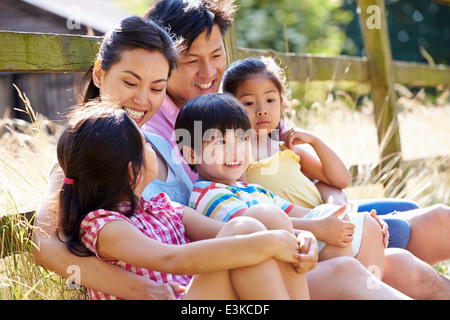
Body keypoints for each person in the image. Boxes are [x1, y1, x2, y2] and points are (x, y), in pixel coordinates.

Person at [32, 14, 410, 301]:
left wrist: (296, 233)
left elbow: (237, 186)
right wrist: (141, 288)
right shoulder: (82, 158)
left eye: (158, 88)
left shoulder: (162, 144)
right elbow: (43, 246)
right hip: (194, 284)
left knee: (347, 269)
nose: (144, 99)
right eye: (130, 82)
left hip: (231, 264)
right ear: (99, 73)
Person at [221, 56, 450, 299]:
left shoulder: (288, 150)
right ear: (230, 107)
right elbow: (250, 202)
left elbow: (340, 179)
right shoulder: (238, 159)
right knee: (398, 256)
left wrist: (315, 142)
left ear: (281, 102)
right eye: (248, 102)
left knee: (423, 218)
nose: (262, 109)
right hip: (312, 237)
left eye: (270, 100)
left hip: (335, 220)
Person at [54, 102, 314, 300]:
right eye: (145, 144)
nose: (153, 147)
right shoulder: (104, 226)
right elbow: (172, 260)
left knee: (265, 217)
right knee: (245, 231)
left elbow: (231, 231)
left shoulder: (160, 207)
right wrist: (270, 242)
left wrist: (299, 239)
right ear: (133, 170)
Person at [175, 93, 392, 277]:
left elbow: (300, 212)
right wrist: (319, 228)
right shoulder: (209, 196)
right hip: (279, 268)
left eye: (242, 139)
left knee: (363, 223)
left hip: (299, 247)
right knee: (339, 234)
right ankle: (349, 287)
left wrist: (342, 219)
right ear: (191, 153)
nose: (235, 150)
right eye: (220, 142)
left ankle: (366, 287)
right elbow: (260, 230)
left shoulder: (251, 189)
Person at [141, 0, 237, 184]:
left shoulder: (231, 102)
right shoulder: (149, 128)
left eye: (216, 55)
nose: (209, 72)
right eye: (192, 61)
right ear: (161, 61)